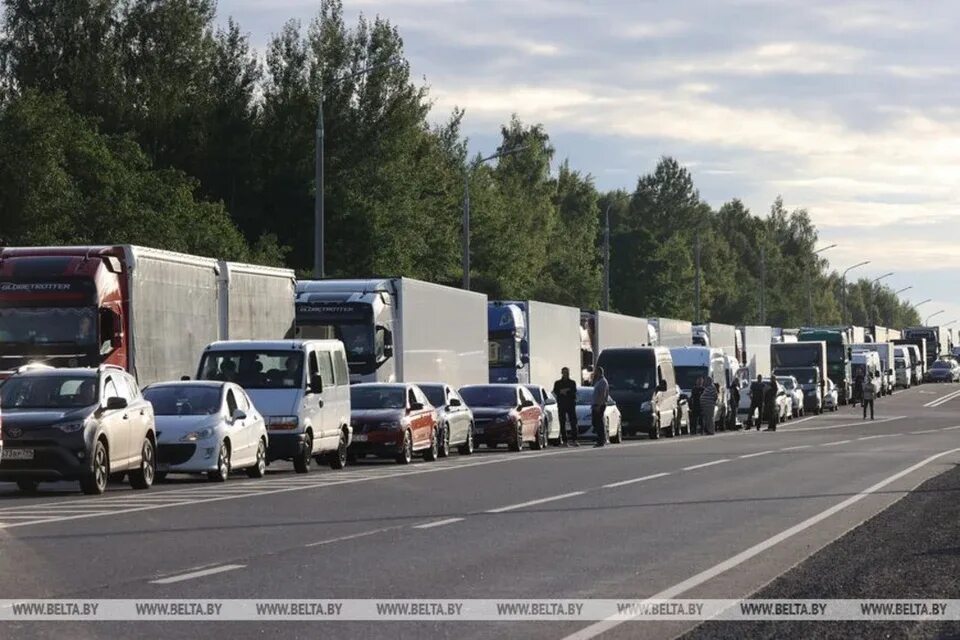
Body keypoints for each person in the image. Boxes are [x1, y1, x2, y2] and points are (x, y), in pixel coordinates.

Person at [552, 367, 577, 446]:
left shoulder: (572, 382)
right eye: (564, 372)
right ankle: (565, 441)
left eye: (567, 372)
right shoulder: (558, 383)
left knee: (573, 422)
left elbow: (574, 391)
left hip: (570, 404)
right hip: (562, 405)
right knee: (562, 423)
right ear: (562, 373)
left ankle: (574, 440)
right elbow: (555, 391)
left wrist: (567, 392)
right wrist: (561, 392)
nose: (566, 374)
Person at [592, 366, 609, 447]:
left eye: (596, 372)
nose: (595, 373)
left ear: (599, 372)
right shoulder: (598, 381)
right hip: (595, 404)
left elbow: (603, 395)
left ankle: (601, 440)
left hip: (600, 405)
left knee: (599, 423)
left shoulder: (603, 382)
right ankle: (601, 438)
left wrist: (599, 405)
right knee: (595, 422)